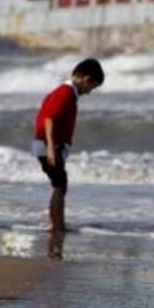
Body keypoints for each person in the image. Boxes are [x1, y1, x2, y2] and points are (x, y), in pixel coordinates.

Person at [33, 58, 104, 259]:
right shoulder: (64, 94)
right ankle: (57, 227)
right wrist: (51, 149)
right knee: (60, 186)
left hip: (50, 146)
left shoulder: (68, 94)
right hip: (48, 146)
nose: (90, 92)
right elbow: (49, 119)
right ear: (86, 79)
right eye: (92, 87)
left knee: (60, 185)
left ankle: (55, 224)